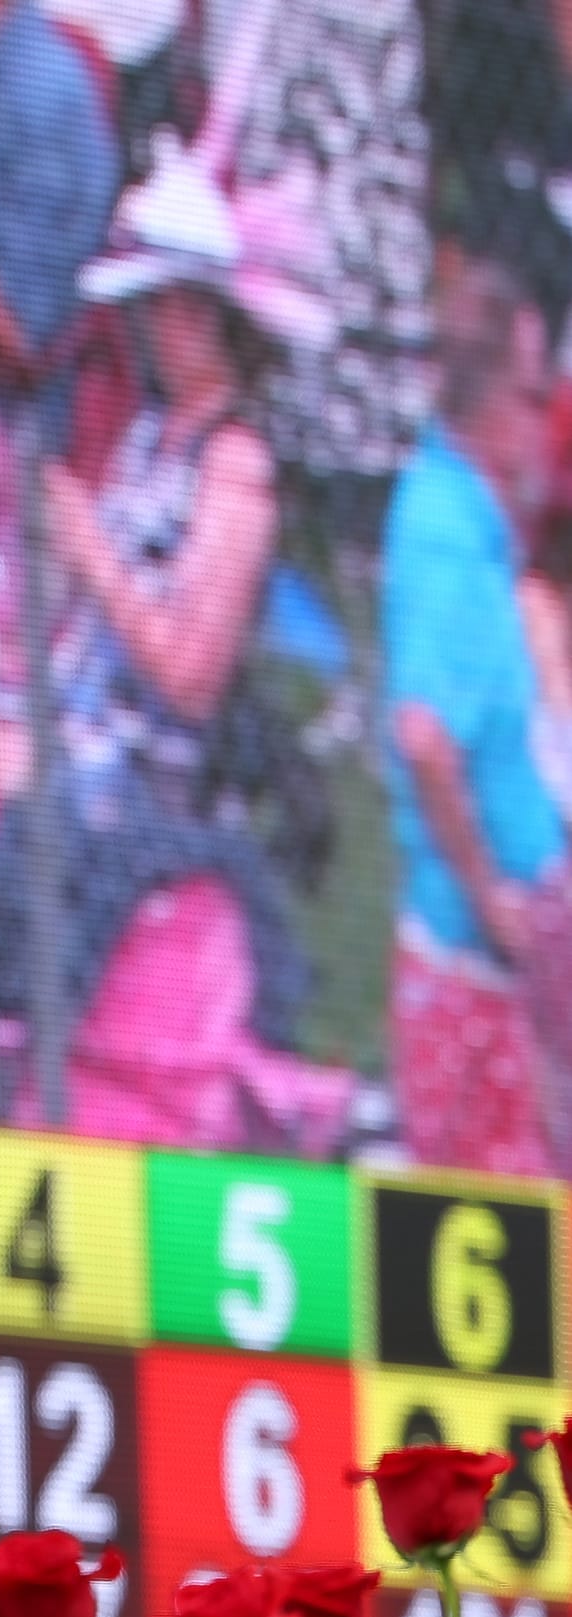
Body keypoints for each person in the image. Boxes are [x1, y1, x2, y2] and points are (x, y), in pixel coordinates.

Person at [0, 131, 351, 1151]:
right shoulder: (153, 439)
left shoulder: (232, 470)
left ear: (199, 316)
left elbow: (188, 676)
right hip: (69, 747)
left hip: (138, 793)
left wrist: (88, 548)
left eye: (158, 308)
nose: (143, 330)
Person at [385, 255, 566, 1176]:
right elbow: (425, 736)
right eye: (539, 399)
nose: (547, 425)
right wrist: (495, 896)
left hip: (504, 972)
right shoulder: (444, 532)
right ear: (495, 406)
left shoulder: (479, 531)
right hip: (468, 972)